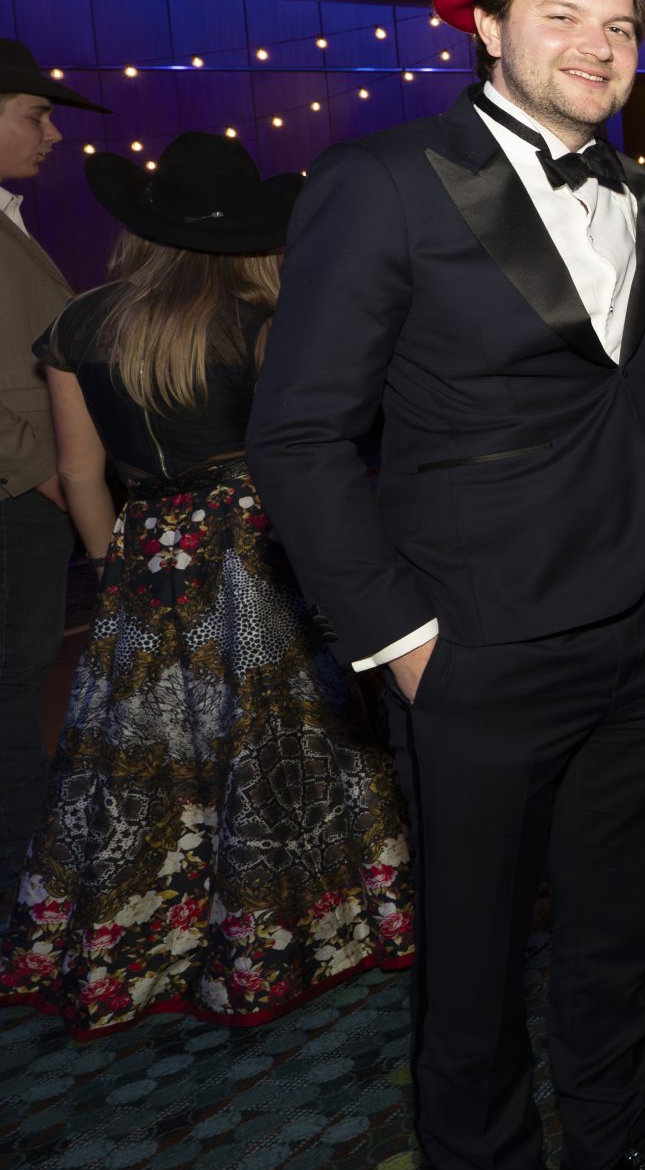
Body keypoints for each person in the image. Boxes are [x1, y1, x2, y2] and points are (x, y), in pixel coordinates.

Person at [249, 0, 645, 1170]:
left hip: (642, 638)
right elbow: (298, 435)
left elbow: (625, 404)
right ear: (487, 27)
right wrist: (402, 639)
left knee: (618, 930)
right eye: (562, 16)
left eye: (621, 25)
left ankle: (606, 1149)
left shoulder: (639, 195)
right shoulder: (385, 181)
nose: (599, 46)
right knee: (471, 962)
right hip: (474, 649)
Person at [0, 133, 416, 1036]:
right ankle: (294, 931)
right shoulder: (271, 320)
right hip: (263, 547)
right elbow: (312, 455)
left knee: (146, 756)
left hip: (145, 557)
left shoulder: (82, 322)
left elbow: (79, 472)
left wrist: (117, 567)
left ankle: (142, 943)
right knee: (286, 744)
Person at [0, 43, 99, 894]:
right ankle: (20, 887)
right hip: (17, 492)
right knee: (10, 682)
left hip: (30, 487)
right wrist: (41, 467)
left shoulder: (8, 215)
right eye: (36, 114)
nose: (54, 133)